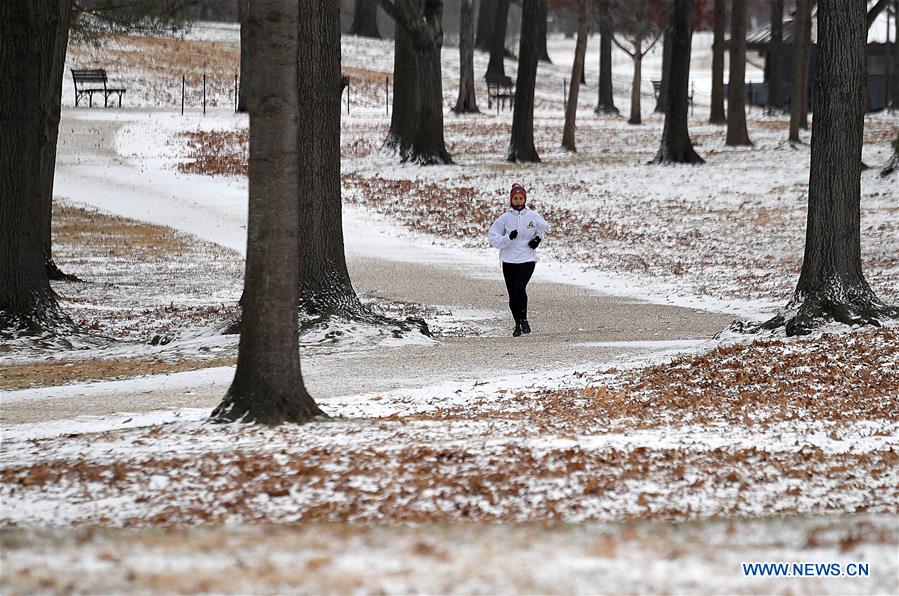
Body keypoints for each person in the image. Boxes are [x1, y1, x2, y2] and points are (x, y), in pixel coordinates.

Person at [487, 183, 549, 337]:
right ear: (511, 199)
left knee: (519, 288)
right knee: (513, 294)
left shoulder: (532, 216)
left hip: (527, 259)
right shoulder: (505, 218)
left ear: (525, 199)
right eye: (515, 198)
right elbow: (493, 238)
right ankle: (517, 324)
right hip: (509, 261)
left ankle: (524, 319)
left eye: (521, 198)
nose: (518, 201)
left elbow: (544, 227)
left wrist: (537, 239)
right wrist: (508, 238)